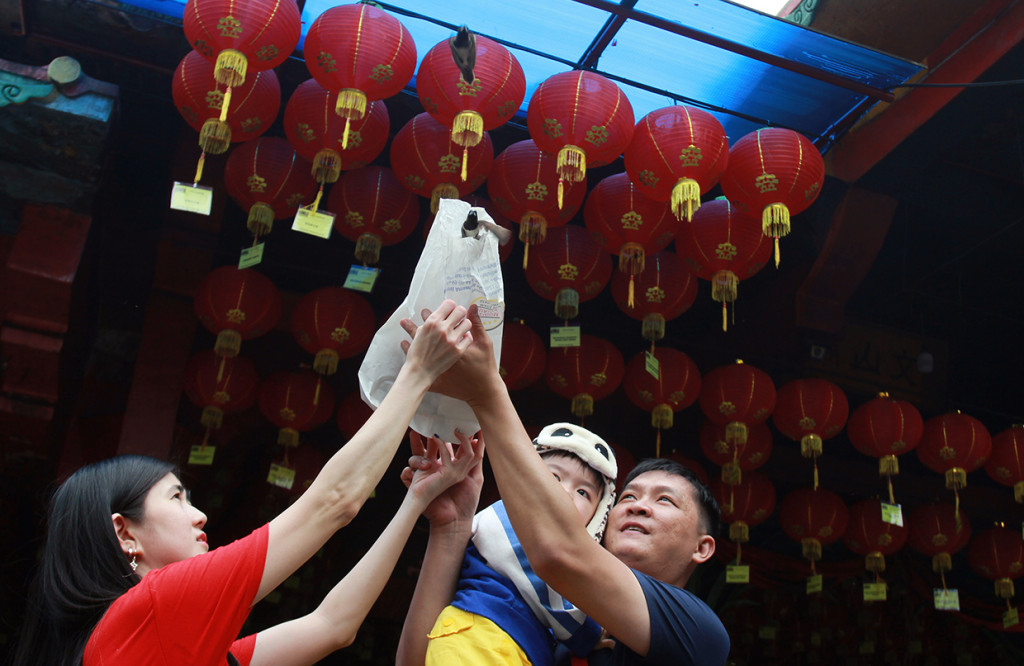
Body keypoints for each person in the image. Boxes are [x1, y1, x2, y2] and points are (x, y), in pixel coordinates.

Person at [12, 300, 478, 666]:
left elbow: (334, 625)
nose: (200, 515)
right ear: (123, 532)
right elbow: (332, 503)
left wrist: (414, 503)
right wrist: (416, 373)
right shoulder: (153, 606)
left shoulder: (167, 637)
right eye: (177, 498)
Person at [396, 305, 730, 666]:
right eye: (629, 496)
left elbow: (558, 554)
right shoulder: (555, 631)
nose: (638, 505)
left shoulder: (700, 633)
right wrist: (450, 528)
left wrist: (487, 394)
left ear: (703, 547)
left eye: (665, 500)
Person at [424, 422, 618, 666]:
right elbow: (544, 584)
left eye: (583, 493)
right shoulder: (508, 516)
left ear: (597, 517)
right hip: (478, 635)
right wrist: (588, 633)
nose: (565, 492)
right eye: (554, 477)